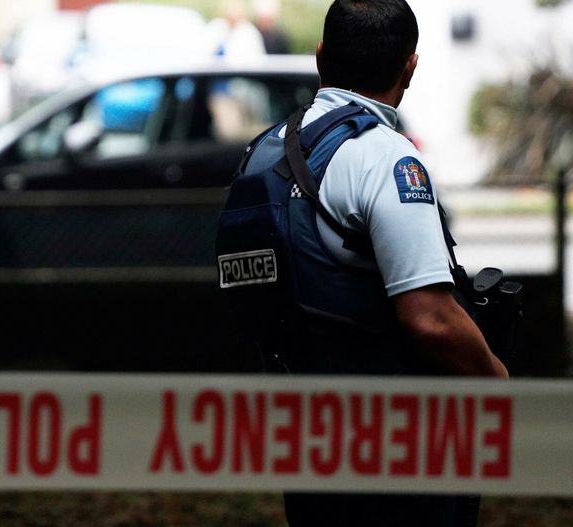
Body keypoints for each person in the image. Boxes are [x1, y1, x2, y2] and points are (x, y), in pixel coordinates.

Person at [217, 0, 508, 525]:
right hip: (396, 449)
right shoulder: (384, 158)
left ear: (321, 56)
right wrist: (494, 376)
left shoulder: (266, 151)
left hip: (308, 438)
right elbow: (430, 318)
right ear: (410, 67)